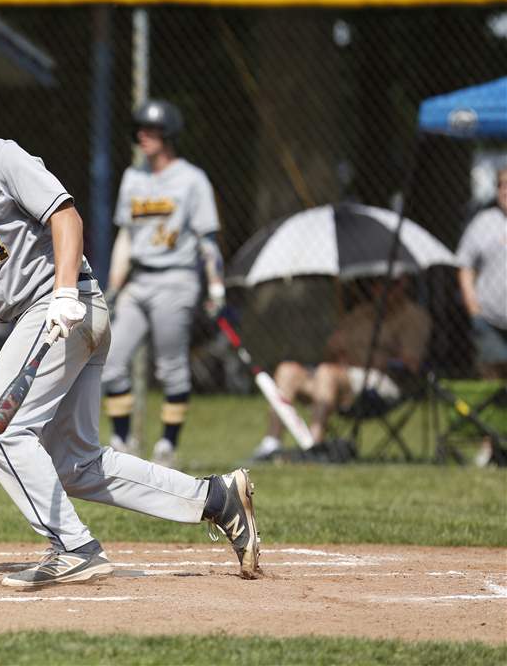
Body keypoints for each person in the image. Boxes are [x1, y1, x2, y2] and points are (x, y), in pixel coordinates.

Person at [0, 63, 260, 587]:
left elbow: (65, 215)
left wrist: (64, 292)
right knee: (75, 465)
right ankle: (216, 498)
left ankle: (74, 548)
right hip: (46, 317)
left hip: (60, 306)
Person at [100, 100, 226, 467]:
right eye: (139, 129)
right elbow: (126, 235)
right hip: (138, 281)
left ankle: (167, 446)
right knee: (112, 362)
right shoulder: (133, 177)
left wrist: (216, 285)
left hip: (177, 279)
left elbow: (207, 240)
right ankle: (121, 442)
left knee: (171, 368)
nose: (142, 136)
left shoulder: (191, 180)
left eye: (150, 130)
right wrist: (114, 284)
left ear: (168, 135)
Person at [251, 278, 431, 459]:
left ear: (404, 285)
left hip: (381, 383)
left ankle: (314, 447)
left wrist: (372, 361)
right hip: (338, 380)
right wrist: (334, 348)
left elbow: (410, 365)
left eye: (390, 284)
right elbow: (330, 354)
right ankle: (271, 443)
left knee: (327, 373)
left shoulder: (414, 317)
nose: (381, 289)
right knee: (287, 370)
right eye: (376, 284)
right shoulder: (360, 314)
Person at [456, 167, 507, 466]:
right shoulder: (483, 223)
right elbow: (464, 266)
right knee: (492, 384)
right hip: (489, 319)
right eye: (502, 186)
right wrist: (473, 308)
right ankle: (491, 445)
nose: (505, 192)